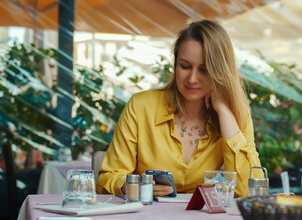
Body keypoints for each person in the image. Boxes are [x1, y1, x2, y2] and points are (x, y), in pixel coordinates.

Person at [96, 19, 263, 197]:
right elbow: (108, 178)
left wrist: (223, 110)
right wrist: (131, 187)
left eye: (204, 70)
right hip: (146, 218)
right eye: (185, 66)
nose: (192, 78)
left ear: (220, 71)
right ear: (175, 65)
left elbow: (250, 190)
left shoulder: (235, 115)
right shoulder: (140, 107)